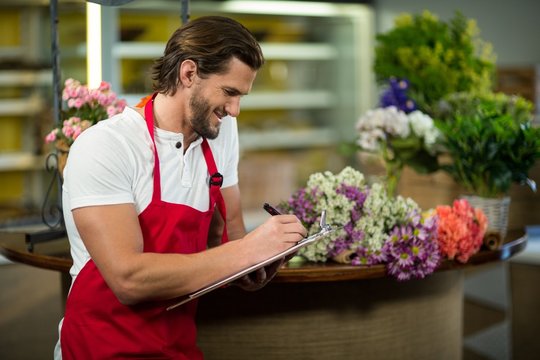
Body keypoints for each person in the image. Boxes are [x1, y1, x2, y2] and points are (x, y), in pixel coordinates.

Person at [54, 16, 307, 359]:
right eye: (229, 92)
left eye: (241, 96)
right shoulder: (106, 146)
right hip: (101, 348)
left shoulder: (222, 134)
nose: (235, 110)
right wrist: (247, 251)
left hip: (177, 348)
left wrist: (257, 265)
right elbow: (128, 280)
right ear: (188, 74)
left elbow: (228, 240)